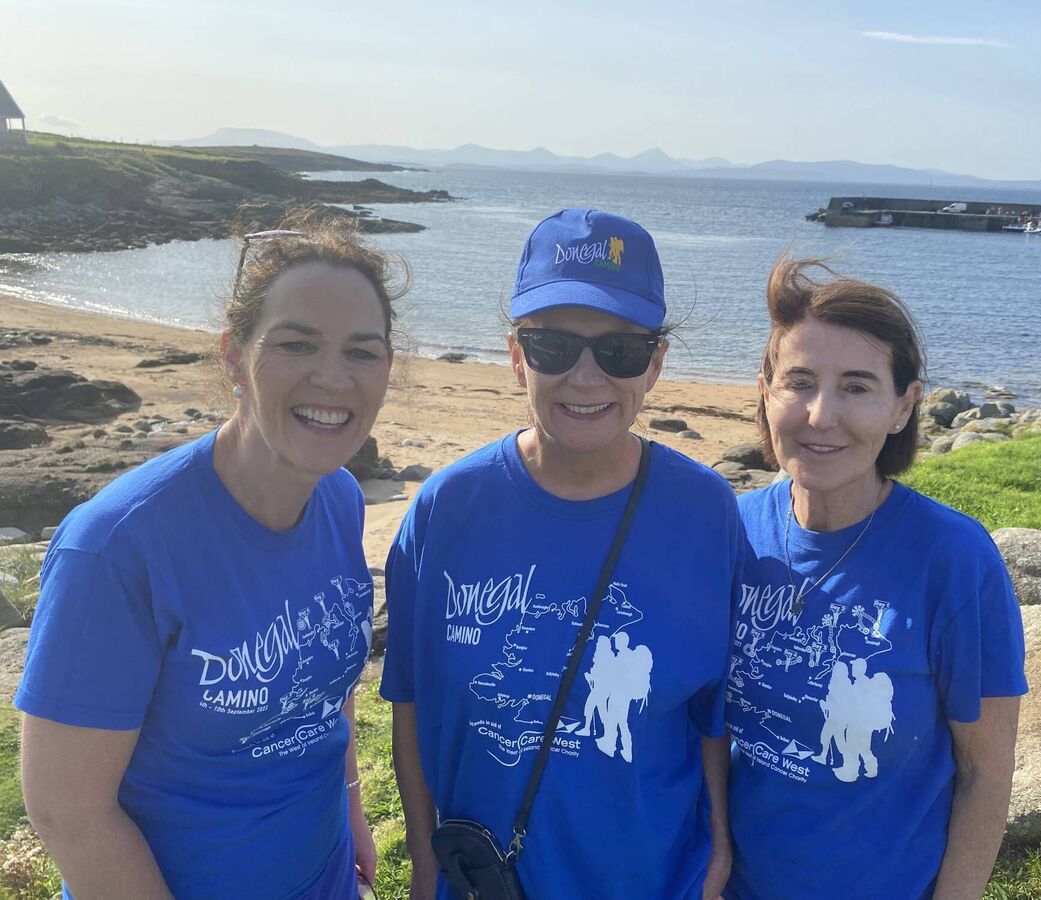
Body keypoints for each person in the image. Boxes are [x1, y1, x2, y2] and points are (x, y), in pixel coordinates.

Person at [15, 214, 402, 899]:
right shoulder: (118, 547)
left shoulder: (340, 497)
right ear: (234, 356)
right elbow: (67, 812)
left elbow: (322, 689)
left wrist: (352, 813)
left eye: (362, 352)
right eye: (297, 344)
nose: (333, 377)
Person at [381, 208, 740, 899]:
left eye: (620, 351)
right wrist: (426, 869)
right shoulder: (446, 508)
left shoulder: (706, 512)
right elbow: (409, 703)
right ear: (516, 357)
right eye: (553, 347)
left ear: (655, 365)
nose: (585, 377)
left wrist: (719, 850)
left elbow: (713, 714)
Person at [724, 258, 1027, 900]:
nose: (820, 415)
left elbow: (984, 773)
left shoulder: (954, 559)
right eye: (799, 382)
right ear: (765, 391)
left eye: (857, 387)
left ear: (903, 406)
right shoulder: (730, 532)